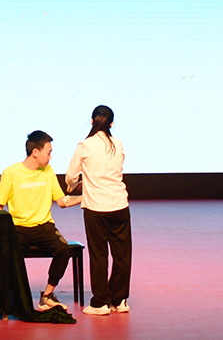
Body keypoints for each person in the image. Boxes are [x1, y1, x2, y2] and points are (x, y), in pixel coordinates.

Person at [0, 130, 81, 311]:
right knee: (4, 254)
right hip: (18, 227)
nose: (50, 157)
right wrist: (1, 234)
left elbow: (62, 201)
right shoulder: (10, 173)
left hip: (44, 226)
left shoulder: (48, 171)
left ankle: (47, 295)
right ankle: (10, 296)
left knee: (64, 250)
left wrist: (86, 196)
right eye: (48, 152)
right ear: (35, 152)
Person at [66, 105, 132, 316]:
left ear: (92, 121)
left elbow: (70, 176)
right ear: (111, 123)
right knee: (122, 255)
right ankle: (119, 300)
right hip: (119, 205)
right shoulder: (118, 144)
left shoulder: (85, 145)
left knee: (99, 255)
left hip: (96, 208)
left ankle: (101, 302)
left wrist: (74, 186)